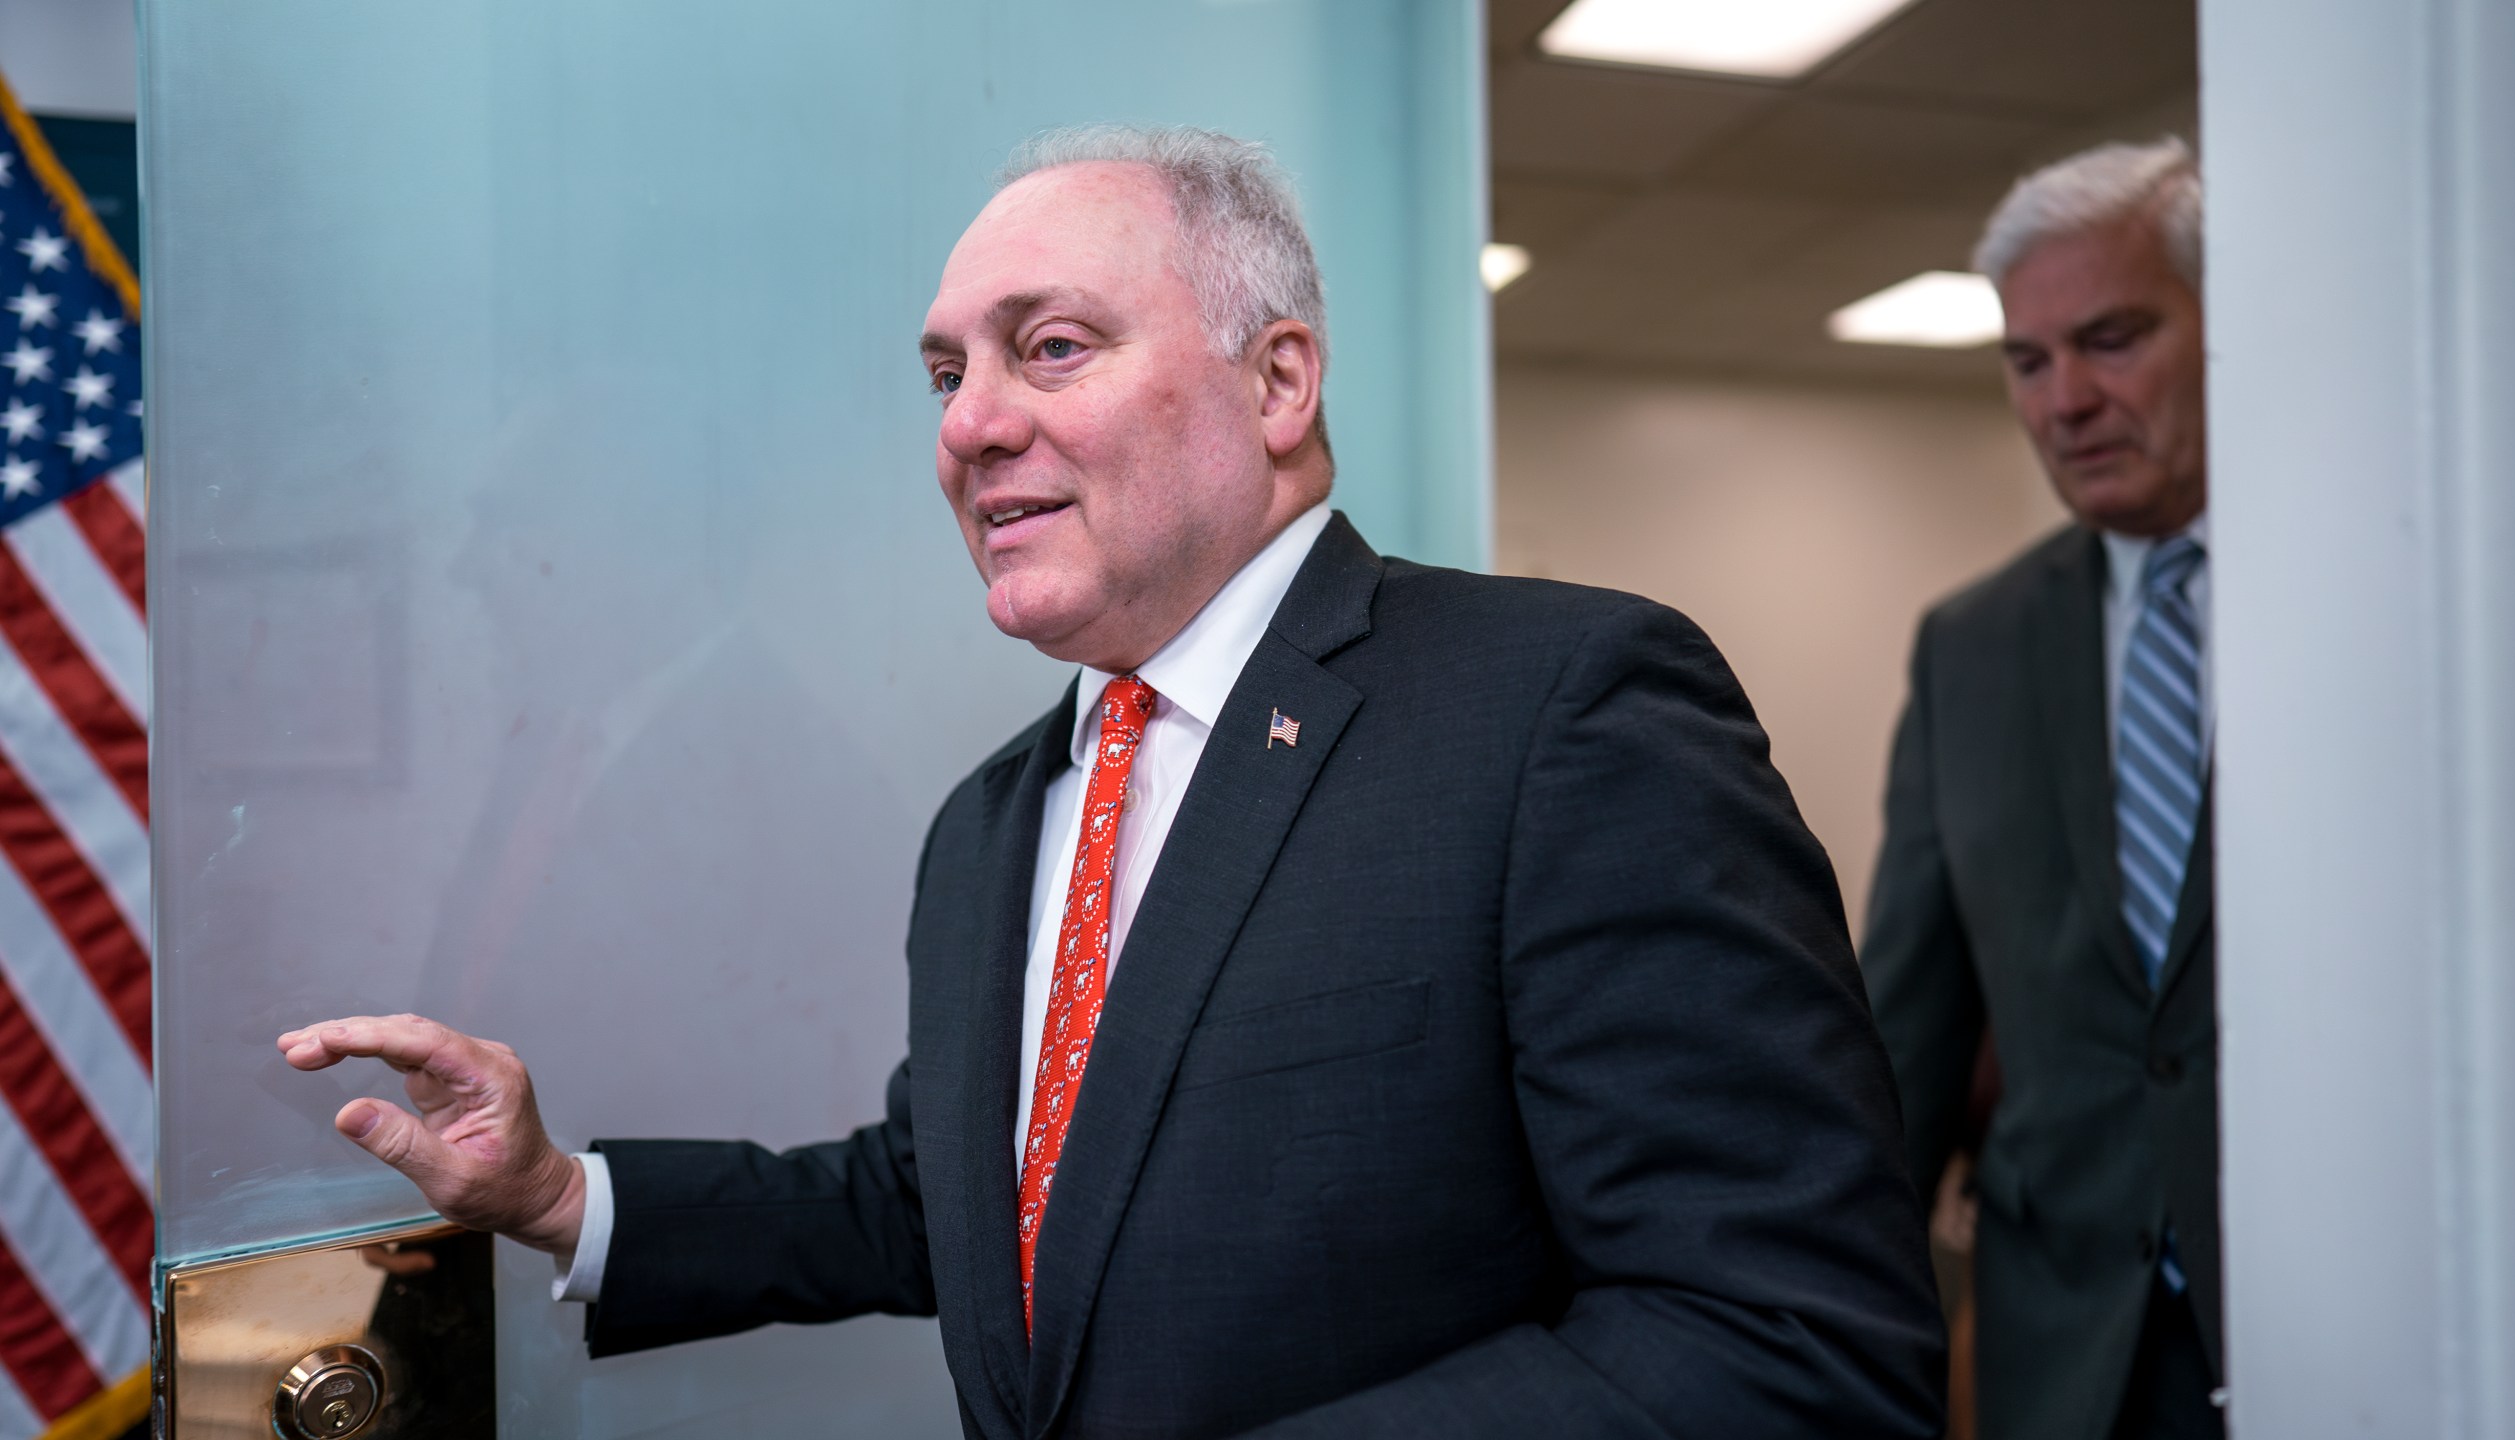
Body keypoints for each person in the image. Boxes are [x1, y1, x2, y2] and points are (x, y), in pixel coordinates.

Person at [281, 125, 1943, 1438]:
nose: (972, 427)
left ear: (1279, 382)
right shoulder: (996, 821)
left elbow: (1779, 1340)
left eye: (1051, 348)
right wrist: (564, 1195)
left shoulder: (1560, 711)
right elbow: (962, 1195)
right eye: (947, 375)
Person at [1860, 137, 2220, 1440]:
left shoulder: (2376, 594)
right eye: (2027, 360)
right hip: (2060, 1357)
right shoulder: (1974, 647)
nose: (2065, 399)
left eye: (2113, 340)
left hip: (2344, 1311)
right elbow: (1906, 1028)